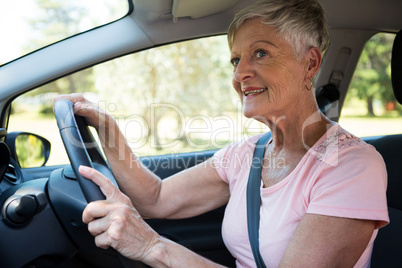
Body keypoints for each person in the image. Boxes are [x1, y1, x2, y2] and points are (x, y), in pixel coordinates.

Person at [54, 0, 389, 267]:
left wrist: (152, 246)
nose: (241, 73)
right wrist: (107, 128)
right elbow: (156, 198)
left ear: (311, 64)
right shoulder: (245, 154)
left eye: (261, 53)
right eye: (235, 60)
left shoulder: (351, 166)